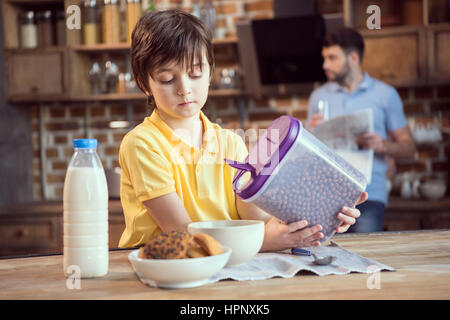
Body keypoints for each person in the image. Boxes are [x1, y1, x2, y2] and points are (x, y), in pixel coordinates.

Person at [118, 10, 367, 252]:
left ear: (209, 72)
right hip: (161, 272)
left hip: (224, 267)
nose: (185, 88)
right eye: (167, 79)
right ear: (145, 84)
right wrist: (264, 242)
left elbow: (256, 221)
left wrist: (319, 215)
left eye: (195, 73)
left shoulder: (230, 144)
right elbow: (181, 234)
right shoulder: (142, 144)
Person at [307, 28, 415, 233]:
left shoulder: (385, 94)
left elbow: (409, 148)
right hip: (325, 195)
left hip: (369, 194)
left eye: (332, 58)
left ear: (353, 57)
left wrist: (381, 145)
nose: (325, 65)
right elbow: (305, 156)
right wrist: (310, 135)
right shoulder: (318, 97)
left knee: (365, 253)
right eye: (324, 58)